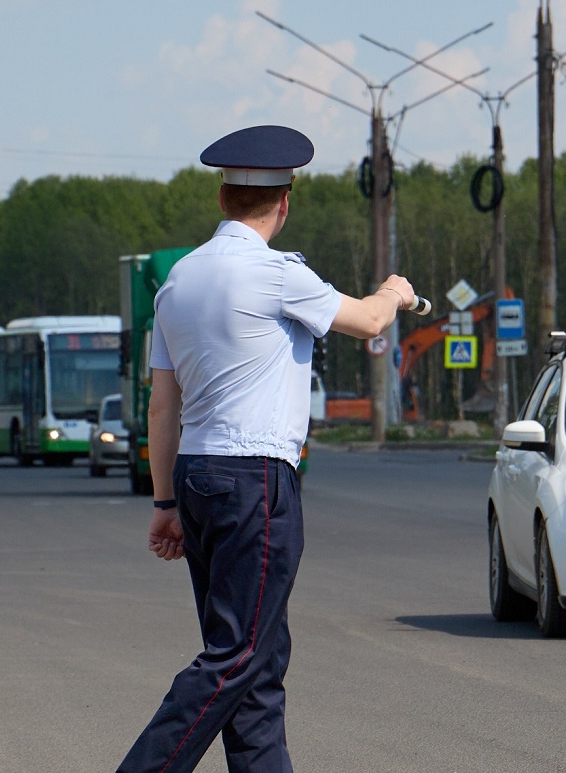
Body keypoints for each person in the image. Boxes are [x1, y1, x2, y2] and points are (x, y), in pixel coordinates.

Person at [118, 125, 415, 773]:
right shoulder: (279, 275)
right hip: (255, 477)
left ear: (223, 199)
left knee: (256, 665)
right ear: (284, 204)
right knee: (236, 656)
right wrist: (395, 290)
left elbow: (160, 407)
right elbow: (367, 319)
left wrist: (163, 499)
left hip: (196, 476)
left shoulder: (178, 283)